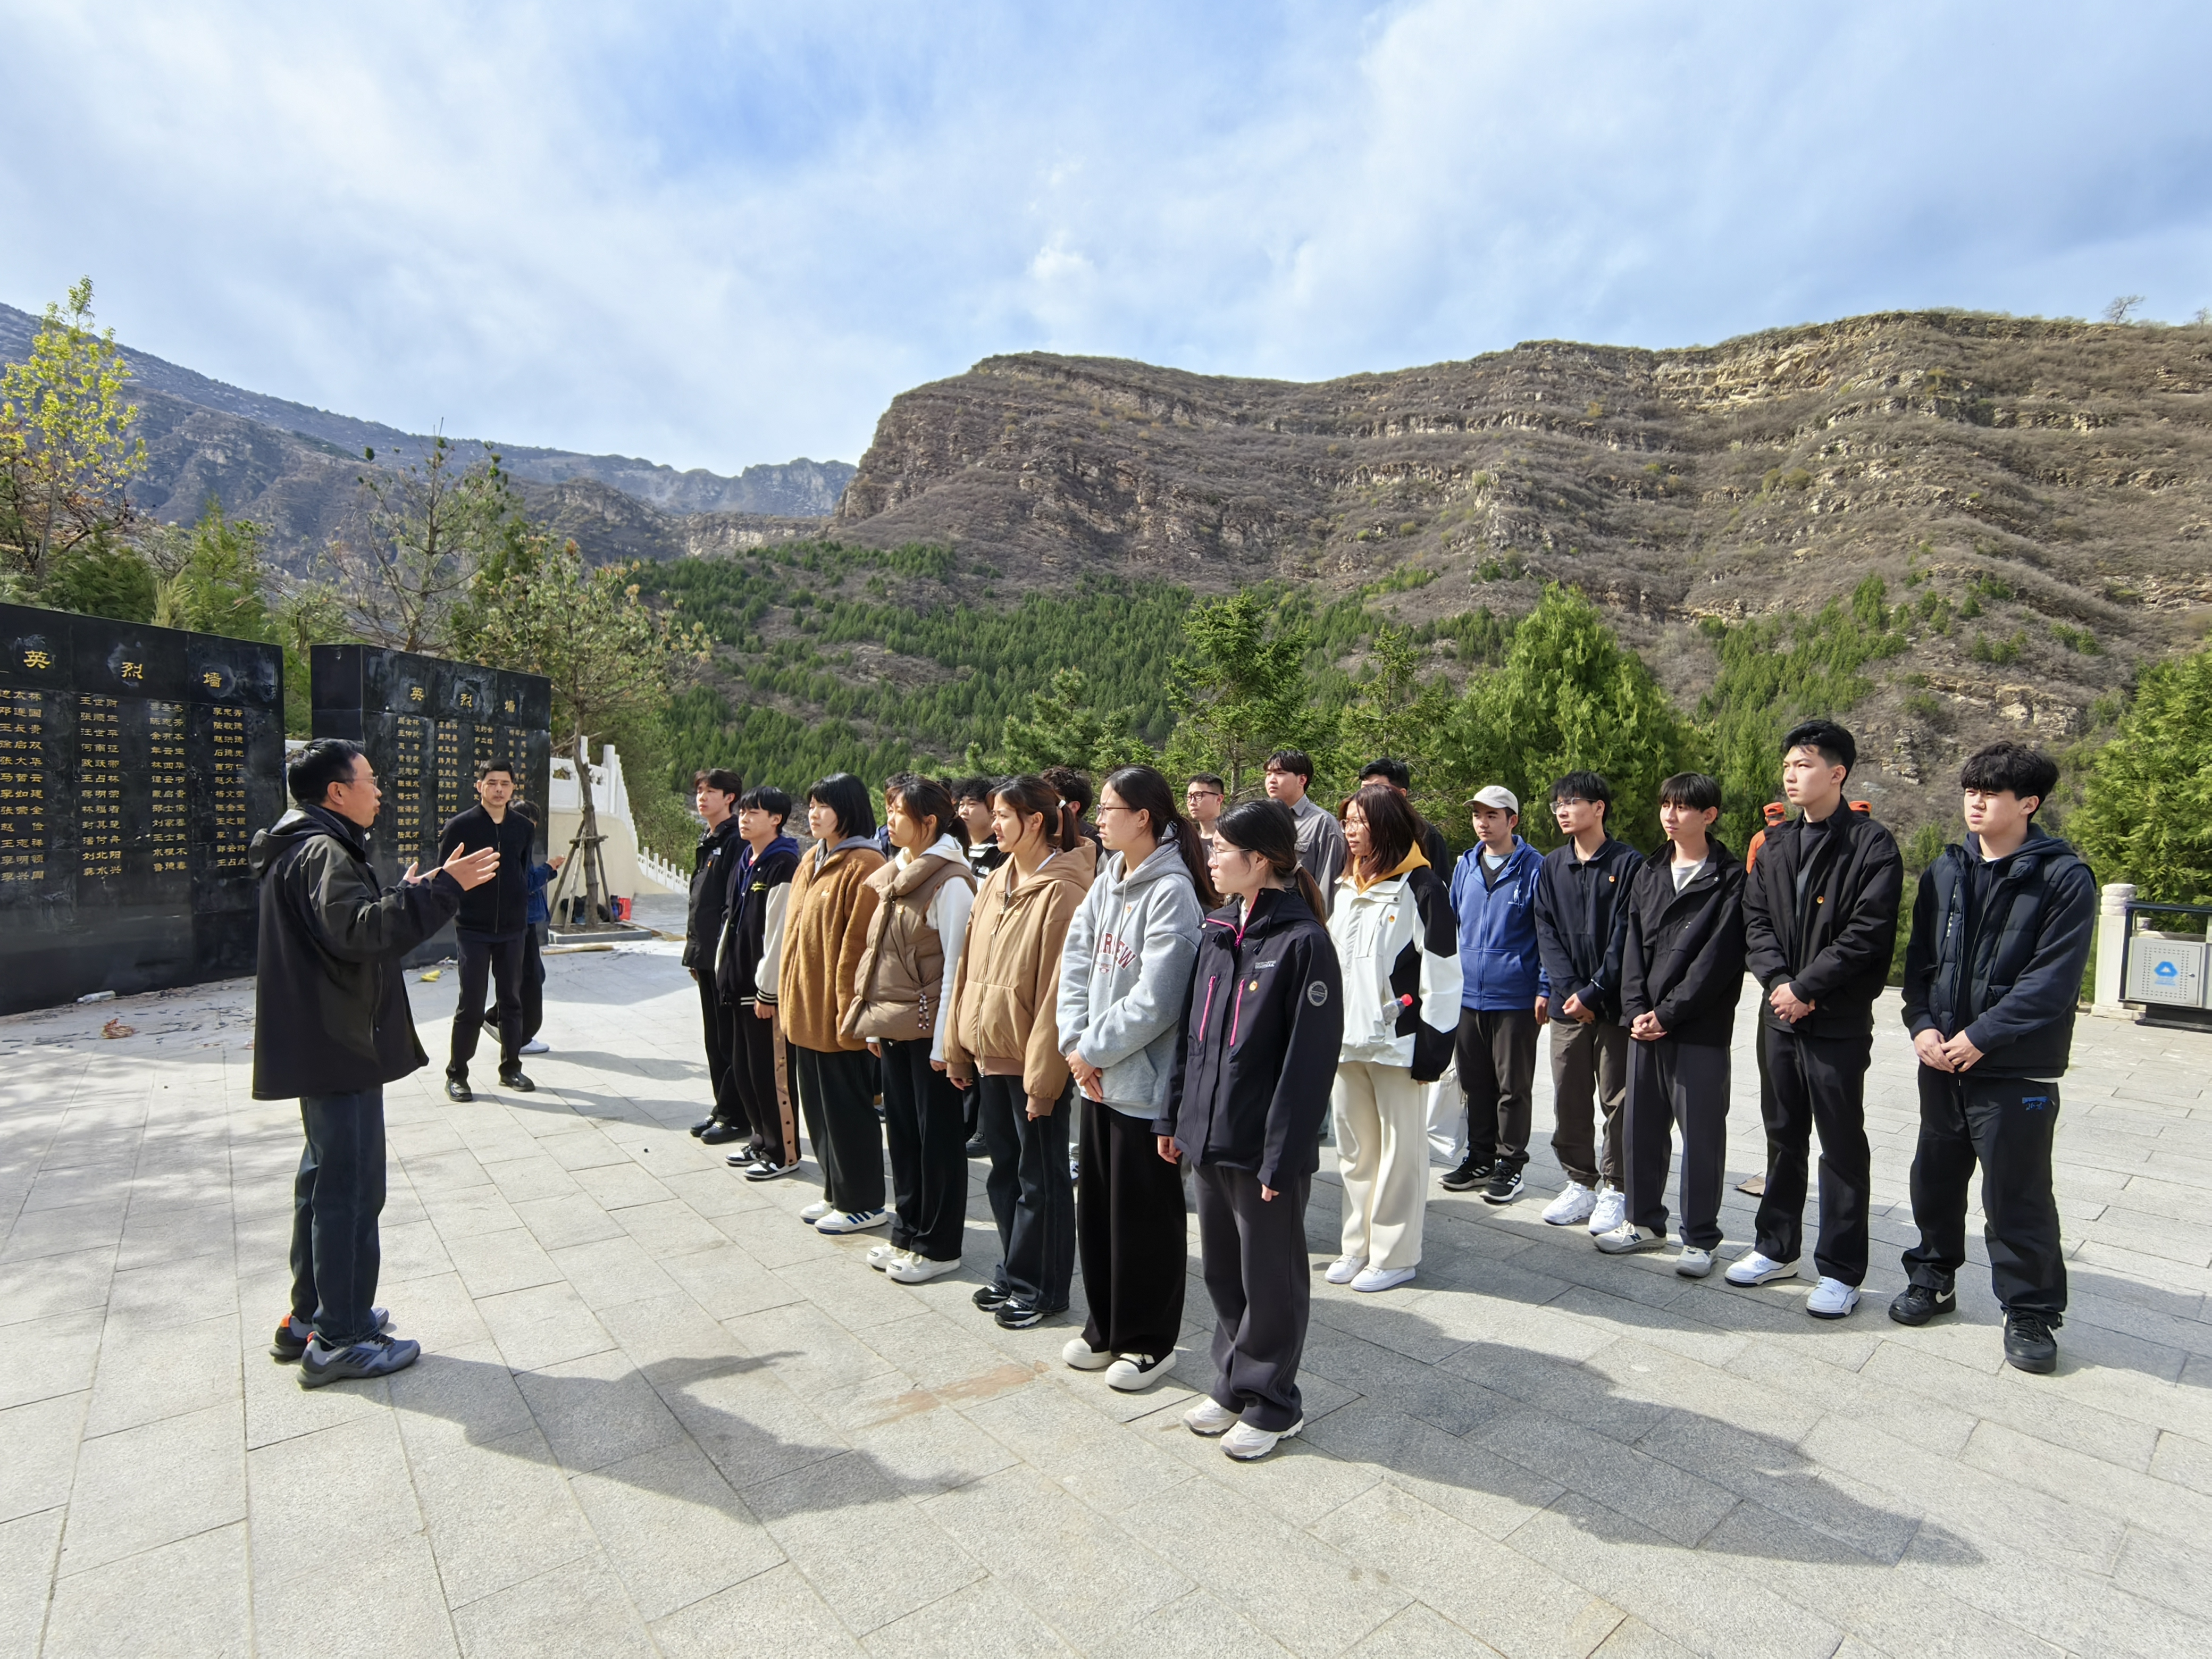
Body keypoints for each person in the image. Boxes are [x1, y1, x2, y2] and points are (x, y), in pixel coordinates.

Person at [252, 738, 499, 1385]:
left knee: (323, 1181)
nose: (378, 790)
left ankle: (311, 1316)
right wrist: (445, 888)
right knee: (350, 1190)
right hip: (339, 1045)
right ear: (337, 792)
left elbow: (345, 927)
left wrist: (406, 892)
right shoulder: (322, 850)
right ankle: (343, 1337)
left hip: (325, 1041)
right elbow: (361, 933)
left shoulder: (304, 846)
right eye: (370, 780)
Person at [1893, 743, 2094, 1375]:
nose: (1974, 802)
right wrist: (1921, 1025)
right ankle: (1933, 1278)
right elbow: (1919, 963)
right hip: (1941, 1060)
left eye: (1990, 793)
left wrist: (1981, 1036)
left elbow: (2051, 983)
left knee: (2017, 1194)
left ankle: (2030, 1310)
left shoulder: (2062, 878)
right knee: (1934, 1179)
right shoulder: (1945, 870)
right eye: (1969, 790)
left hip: (2012, 1067)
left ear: (2028, 804)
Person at [1161, 799, 1342, 1461]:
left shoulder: (1302, 944)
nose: (1209, 858)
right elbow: (1191, 1037)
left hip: (1263, 1147)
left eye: (1220, 849)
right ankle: (1234, 1382)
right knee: (1223, 1272)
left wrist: (1283, 1158)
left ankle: (1273, 1402)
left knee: (1271, 1278)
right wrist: (1174, 1118)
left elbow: (1307, 1065)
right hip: (1208, 1136)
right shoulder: (1217, 930)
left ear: (1258, 861)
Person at [1731, 720, 1903, 1319]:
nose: (1789, 773)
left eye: (1802, 764)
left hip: (1834, 1020)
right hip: (1777, 1017)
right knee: (1782, 1135)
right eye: (1786, 764)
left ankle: (1840, 1270)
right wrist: (1778, 984)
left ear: (1836, 774)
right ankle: (1774, 1247)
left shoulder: (1870, 846)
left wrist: (1806, 988)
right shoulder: (1774, 843)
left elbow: (1867, 935)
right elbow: (1753, 923)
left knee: (1839, 1144)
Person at [1055, 765, 1210, 1390]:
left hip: (1142, 1086)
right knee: (1097, 1212)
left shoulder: (1171, 890)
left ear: (1143, 816)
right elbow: (1074, 961)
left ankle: (1149, 1341)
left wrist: (1092, 1050)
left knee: (1145, 1219)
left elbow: (1158, 999)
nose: (1099, 817)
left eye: (1110, 808)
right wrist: (1075, 1045)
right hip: (1095, 1077)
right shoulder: (1107, 878)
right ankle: (1106, 1325)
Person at [945, 776, 1097, 1328]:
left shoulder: (1064, 891)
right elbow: (967, 968)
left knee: (1041, 1178)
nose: (992, 823)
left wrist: (1042, 1080)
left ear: (1035, 821)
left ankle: (1043, 1288)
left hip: (1033, 1061)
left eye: (1003, 814)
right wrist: (957, 1047)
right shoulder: (996, 880)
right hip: (990, 1051)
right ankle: (1013, 1269)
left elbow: (1059, 993)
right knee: (1004, 1172)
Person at [1595, 774, 1746, 1276]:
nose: (1670, 815)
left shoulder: (1728, 877)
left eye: (1682, 807)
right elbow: (1632, 942)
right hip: (1644, 1025)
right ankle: (1643, 1222)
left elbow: (1718, 961)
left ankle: (1701, 1237)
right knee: (1641, 1129)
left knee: (1702, 1136)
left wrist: (1668, 1013)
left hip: (1697, 1029)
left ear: (1709, 815)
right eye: (1665, 805)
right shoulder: (1650, 870)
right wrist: (1637, 1007)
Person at [1324, 784, 1460, 1294]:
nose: (1349, 830)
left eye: (1358, 821)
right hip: (1346, 1043)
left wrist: (1434, 1046)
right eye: (1347, 821)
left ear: (1385, 826)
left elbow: (1444, 975)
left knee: (1402, 1154)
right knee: (1356, 1153)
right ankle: (1357, 1246)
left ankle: (1395, 1254)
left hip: (1399, 1044)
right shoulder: (1344, 886)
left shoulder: (1421, 887)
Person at [845, 774, 978, 1284]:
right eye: (888, 809)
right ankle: (908, 1231)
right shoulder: (899, 870)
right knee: (903, 1135)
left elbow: (955, 969)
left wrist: (946, 1043)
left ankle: (940, 1245)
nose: (890, 820)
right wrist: (874, 1023)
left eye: (898, 811)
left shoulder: (950, 881)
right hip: (897, 1024)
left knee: (937, 1140)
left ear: (928, 822)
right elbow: (878, 955)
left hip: (930, 1034)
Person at [777, 774, 889, 1232]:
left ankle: (863, 1200)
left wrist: (851, 1015)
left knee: (848, 1112)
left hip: (837, 1017)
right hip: (804, 1009)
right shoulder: (811, 859)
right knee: (819, 1111)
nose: (814, 814)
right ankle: (835, 1191)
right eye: (811, 805)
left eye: (825, 805)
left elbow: (858, 948)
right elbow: (792, 937)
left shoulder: (864, 863)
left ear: (849, 809)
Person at [1531, 771, 1640, 1234]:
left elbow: (1626, 934)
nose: (1561, 809)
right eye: (1557, 802)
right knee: (1568, 1095)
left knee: (1617, 1098)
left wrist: (1595, 990)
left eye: (1572, 801)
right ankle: (1580, 1181)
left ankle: (1616, 1187)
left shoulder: (1629, 863)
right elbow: (1546, 931)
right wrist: (1571, 990)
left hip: (1613, 1005)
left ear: (1599, 808)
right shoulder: (1552, 865)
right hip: (1566, 1005)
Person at [1441, 784, 1548, 1203]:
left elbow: (1546, 936)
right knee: (1475, 1082)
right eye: (1477, 816)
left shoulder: (1535, 868)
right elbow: (1451, 928)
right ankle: (1480, 1157)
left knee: (1512, 1086)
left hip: (1516, 998)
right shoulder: (1465, 866)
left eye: (1492, 815)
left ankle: (1511, 1163)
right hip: (1467, 996)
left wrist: (1544, 988)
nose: (1482, 823)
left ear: (1512, 821)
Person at [439, 759, 539, 1101]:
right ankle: (457, 1074)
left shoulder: (523, 828)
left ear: (513, 788)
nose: (499, 790)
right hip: (473, 928)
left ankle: (511, 1067)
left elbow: (523, 873)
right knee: (472, 1002)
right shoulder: (459, 827)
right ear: (479, 785)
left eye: (505, 784)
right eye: (492, 782)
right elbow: (446, 877)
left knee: (512, 1000)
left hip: (513, 929)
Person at [717, 785, 801, 1178]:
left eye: (755, 812)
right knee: (746, 1071)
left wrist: (768, 991)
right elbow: (731, 920)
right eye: (744, 812)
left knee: (771, 1075)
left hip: (762, 992)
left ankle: (783, 1152)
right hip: (737, 984)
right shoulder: (747, 860)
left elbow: (779, 934)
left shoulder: (783, 864)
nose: (744, 818)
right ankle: (759, 1140)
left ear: (777, 820)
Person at [686, 769, 749, 1142]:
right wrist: (695, 954)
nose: (702, 797)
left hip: (724, 958)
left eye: (711, 791)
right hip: (706, 955)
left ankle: (737, 1114)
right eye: (699, 791)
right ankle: (721, 1108)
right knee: (714, 1039)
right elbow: (700, 903)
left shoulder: (736, 841)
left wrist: (725, 956)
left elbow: (731, 906)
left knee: (729, 1039)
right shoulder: (708, 839)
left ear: (730, 798)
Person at [479, 801, 560, 1055]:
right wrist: (549, 869)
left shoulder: (514, 843)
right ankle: (520, 1038)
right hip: (518, 923)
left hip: (524, 922)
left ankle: (497, 1019)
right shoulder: (510, 846)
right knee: (529, 981)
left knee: (531, 977)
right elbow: (523, 884)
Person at [1263, 749, 1346, 915]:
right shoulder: (1262, 820)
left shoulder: (1322, 823)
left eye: (1280, 773)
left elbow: (1328, 887)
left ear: (1302, 779)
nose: (1271, 780)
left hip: (1300, 922)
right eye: (1268, 774)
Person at [1356, 757, 1451, 871]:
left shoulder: (1426, 834)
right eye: (1364, 790)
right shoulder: (1355, 830)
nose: (1368, 796)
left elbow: (1439, 884)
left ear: (1401, 794)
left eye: (1377, 789)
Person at [1043, 764, 1103, 848]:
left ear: (1074, 807)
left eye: (1050, 801)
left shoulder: (1091, 845)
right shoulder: (1037, 833)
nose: (1041, 806)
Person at [1185, 774, 1227, 856]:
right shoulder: (1189, 843)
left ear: (1219, 799)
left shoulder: (1231, 841)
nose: (1192, 802)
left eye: (1198, 795)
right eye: (1189, 797)